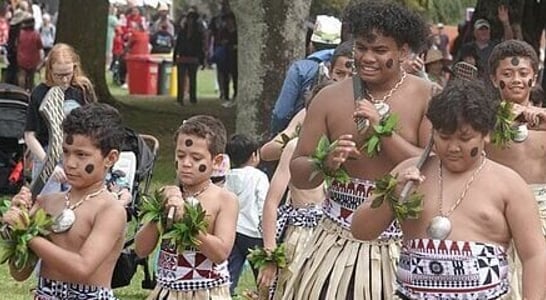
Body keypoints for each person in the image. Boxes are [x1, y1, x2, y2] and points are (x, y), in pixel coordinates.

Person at [286, 1, 434, 299]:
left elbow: (430, 167)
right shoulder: (329, 98)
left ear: (403, 52)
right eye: (361, 48)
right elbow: (299, 174)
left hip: (401, 244)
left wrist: (383, 130)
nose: (367, 57)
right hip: (335, 244)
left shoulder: (427, 96)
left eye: (380, 50)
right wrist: (325, 163)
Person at [352, 79, 546, 299]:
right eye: (444, 137)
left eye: (465, 138)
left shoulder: (508, 184)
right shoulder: (408, 172)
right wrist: (392, 196)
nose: (453, 147)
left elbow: (535, 255)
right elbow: (361, 231)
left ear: (486, 134)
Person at [3, 103, 127, 299]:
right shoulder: (48, 202)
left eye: (81, 155)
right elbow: (20, 273)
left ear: (110, 158)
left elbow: (82, 267)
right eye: (66, 151)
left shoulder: (110, 210)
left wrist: (27, 233)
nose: (70, 163)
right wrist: (17, 228)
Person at [135, 115, 238, 299]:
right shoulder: (166, 195)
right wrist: (160, 212)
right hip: (166, 291)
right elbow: (141, 249)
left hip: (205, 292)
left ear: (216, 161)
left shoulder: (224, 199)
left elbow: (220, 253)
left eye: (196, 158)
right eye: (181, 155)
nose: (186, 163)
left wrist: (186, 220)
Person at [257, 81, 332, 299]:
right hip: (302, 236)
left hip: (334, 236)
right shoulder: (295, 146)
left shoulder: (346, 146)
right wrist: (271, 256)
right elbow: (271, 203)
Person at [484, 39, 546, 297]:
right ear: (493, 78)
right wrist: (501, 119)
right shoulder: (483, 121)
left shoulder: (542, 119)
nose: (516, 80)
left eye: (523, 73)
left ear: (534, 76)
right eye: (507, 74)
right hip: (496, 212)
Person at [260, 40, 353, 161]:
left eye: (352, 75)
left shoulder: (373, 111)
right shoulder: (313, 110)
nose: (344, 80)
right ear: (330, 71)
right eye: (339, 73)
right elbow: (266, 152)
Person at [24, 43, 97, 195]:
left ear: (74, 69)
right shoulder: (39, 93)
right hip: (46, 152)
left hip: (77, 151)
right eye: (59, 75)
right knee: (48, 206)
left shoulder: (82, 89)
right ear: (50, 70)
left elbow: (94, 124)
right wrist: (48, 164)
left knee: (76, 204)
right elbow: (29, 135)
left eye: (68, 74)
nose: (64, 80)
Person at [269, 15, 342, 136]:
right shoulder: (352, 66)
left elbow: (281, 112)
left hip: (301, 134)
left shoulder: (300, 68)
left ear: (311, 44)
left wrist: (276, 135)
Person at [224, 134, 269, 295]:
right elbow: (264, 204)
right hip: (253, 233)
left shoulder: (228, 176)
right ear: (254, 155)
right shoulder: (259, 177)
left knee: (230, 272)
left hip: (232, 232)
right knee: (262, 274)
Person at [457, 5, 513, 79]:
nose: (484, 32)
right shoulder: (467, 48)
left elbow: (509, 41)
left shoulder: (495, 46)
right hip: (474, 86)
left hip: (493, 85)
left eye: (486, 29)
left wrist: (506, 23)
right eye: (481, 29)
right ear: (475, 33)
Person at [173, 11, 206, 105]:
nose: (189, 21)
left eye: (191, 19)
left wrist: (202, 59)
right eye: (188, 18)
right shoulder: (182, 32)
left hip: (193, 57)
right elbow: (177, 45)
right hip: (183, 57)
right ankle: (180, 99)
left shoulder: (198, 33)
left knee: (192, 79)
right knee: (180, 79)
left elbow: (200, 47)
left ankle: (193, 99)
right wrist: (175, 57)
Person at [16, 14, 42, 91]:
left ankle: (21, 90)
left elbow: (16, 44)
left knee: (22, 75)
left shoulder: (20, 33)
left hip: (22, 58)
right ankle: (29, 91)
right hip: (33, 58)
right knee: (31, 76)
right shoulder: (36, 34)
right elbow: (40, 46)